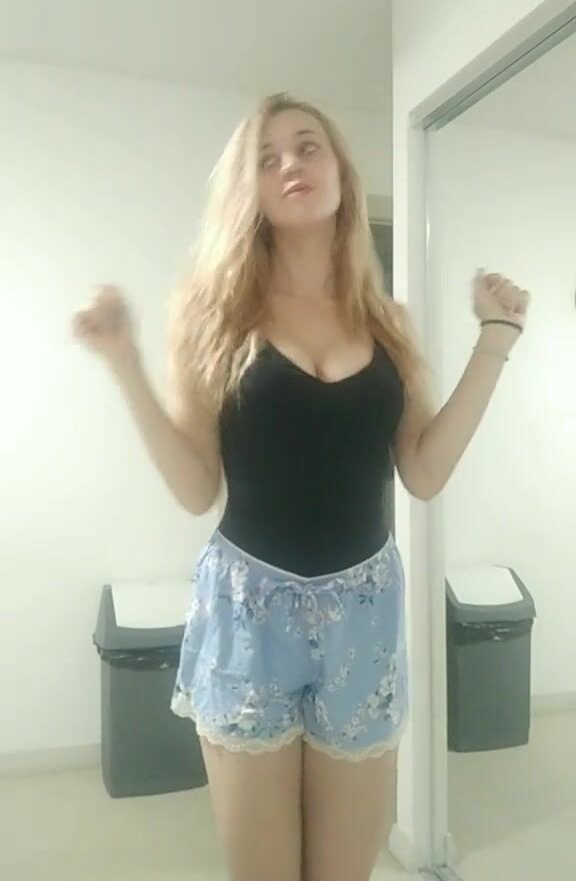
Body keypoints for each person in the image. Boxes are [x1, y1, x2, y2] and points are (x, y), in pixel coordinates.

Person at [72, 93, 530, 881]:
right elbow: (196, 488)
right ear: (246, 190)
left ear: (341, 171)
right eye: (266, 156)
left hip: (365, 612)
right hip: (248, 612)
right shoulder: (215, 316)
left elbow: (423, 472)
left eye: (307, 145)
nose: (290, 164)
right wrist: (124, 364)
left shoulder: (388, 321)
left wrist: (496, 338)